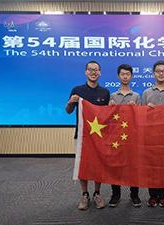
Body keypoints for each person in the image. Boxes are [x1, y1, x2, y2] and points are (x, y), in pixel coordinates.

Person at [66, 60, 110, 210]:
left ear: (100, 72)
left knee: (98, 165)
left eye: (96, 70)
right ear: (86, 72)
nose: (93, 72)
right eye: (90, 70)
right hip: (82, 135)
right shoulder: (77, 90)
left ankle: (97, 193)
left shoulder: (105, 92)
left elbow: (107, 115)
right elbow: (68, 111)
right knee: (82, 165)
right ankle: (84, 194)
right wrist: (71, 102)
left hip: (99, 136)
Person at [142, 60, 164, 207]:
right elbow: (140, 115)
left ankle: (163, 195)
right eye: (158, 71)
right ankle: (152, 195)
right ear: (153, 73)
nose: (161, 73)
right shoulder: (146, 93)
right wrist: (147, 109)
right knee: (151, 164)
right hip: (150, 134)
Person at [108, 64, 142, 208]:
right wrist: (109, 107)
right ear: (118, 76)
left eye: (128, 74)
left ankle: (134, 194)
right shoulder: (112, 95)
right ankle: (116, 194)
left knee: (133, 164)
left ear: (131, 76)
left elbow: (141, 117)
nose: (125, 76)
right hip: (115, 136)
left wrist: (137, 109)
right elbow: (107, 118)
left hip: (132, 135)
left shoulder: (136, 96)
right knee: (115, 165)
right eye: (122, 74)